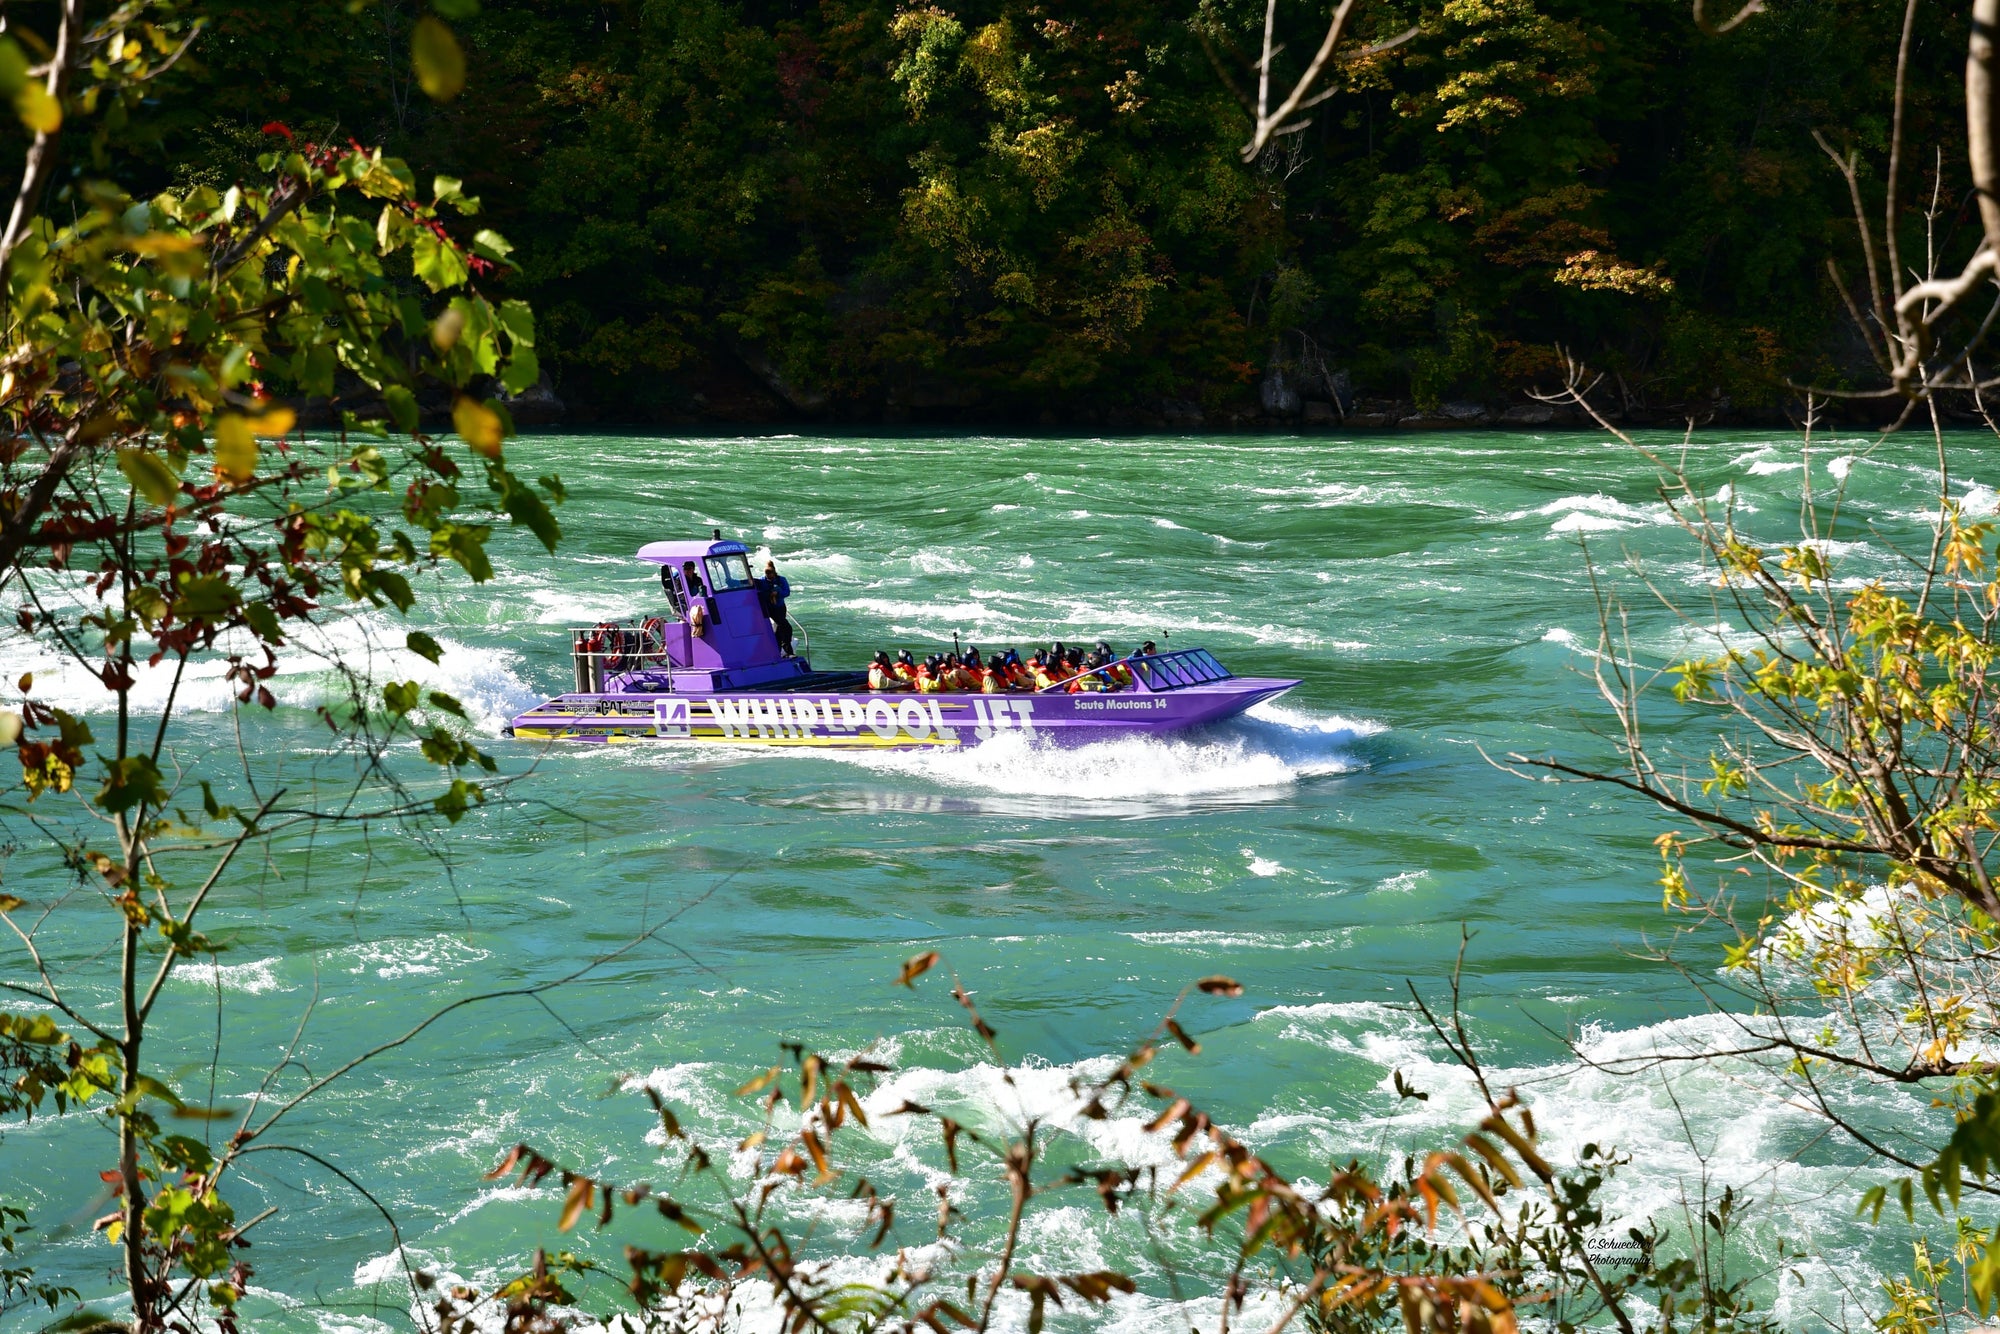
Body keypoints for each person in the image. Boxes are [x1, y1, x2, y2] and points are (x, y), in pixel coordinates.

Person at [759, 559, 794, 656]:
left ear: (774, 573)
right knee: (787, 628)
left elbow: (787, 592)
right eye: (767, 576)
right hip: (770, 608)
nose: (769, 578)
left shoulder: (781, 580)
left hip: (780, 607)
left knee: (779, 628)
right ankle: (788, 650)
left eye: (771, 576)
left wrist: (778, 593)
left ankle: (777, 649)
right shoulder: (762, 581)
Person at [681, 562, 708, 638]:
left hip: (697, 601)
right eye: (685, 569)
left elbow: (703, 592)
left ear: (693, 569)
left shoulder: (698, 579)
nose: (687, 571)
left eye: (689, 568)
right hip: (686, 602)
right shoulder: (681, 581)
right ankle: (697, 630)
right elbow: (681, 596)